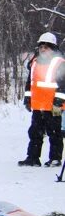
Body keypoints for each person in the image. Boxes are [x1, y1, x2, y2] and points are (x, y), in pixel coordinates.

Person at [19, 32, 65, 167]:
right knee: (35, 132)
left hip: (54, 106)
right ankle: (33, 158)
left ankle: (55, 159)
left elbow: (63, 84)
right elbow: (30, 83)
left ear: (53, 48)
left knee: (54, 133)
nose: (43, 49)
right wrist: (27, 99)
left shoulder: (59, 63)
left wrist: (58, 101)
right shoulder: (34, 62)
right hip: (38, 105)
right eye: (41, 46)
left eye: (46, 46)